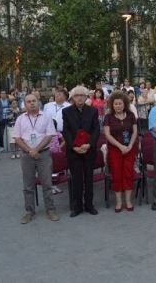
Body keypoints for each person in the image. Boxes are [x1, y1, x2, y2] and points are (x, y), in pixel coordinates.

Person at [12, 94, 59, 224]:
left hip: (43, 154)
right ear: (25, 104)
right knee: (28, 185)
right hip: (27, 155)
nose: (31, 103)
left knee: (47, 184)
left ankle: (51, 210)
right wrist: (30, 151)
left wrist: (36, 149)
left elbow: (49, 135)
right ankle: (29, 212)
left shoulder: (46, 117)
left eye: (34, 101)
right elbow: (17, 138)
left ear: (38, 102)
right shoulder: (20, 119)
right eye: (28, 102)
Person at [62, 86, 100, 217]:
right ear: (72, 97)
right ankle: (77, 206)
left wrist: (89, 145)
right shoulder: (66, 112)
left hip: (89, 150)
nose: (79, 97)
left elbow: (96, 130)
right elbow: (66, 131)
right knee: (76, 179)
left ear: (86, 97)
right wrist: (73, 146)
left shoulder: (93, 111)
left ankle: (89, 205)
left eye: (82, 95)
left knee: (89, 178)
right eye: (77, 95)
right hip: (74, 151)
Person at [104, 91, 138, 212]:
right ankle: (118, 202)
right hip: (115, 150)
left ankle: (128, 201)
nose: (118, 106)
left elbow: (134, 131)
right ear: (112, 105)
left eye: (120, 103)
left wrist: (129, 146)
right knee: (117, 175)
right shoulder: (108, 117)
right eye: (116, 104)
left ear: (125, 104)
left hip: (129, 149)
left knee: (128, 174)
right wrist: (120, 146)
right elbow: (107, 135)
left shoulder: (131, 115)